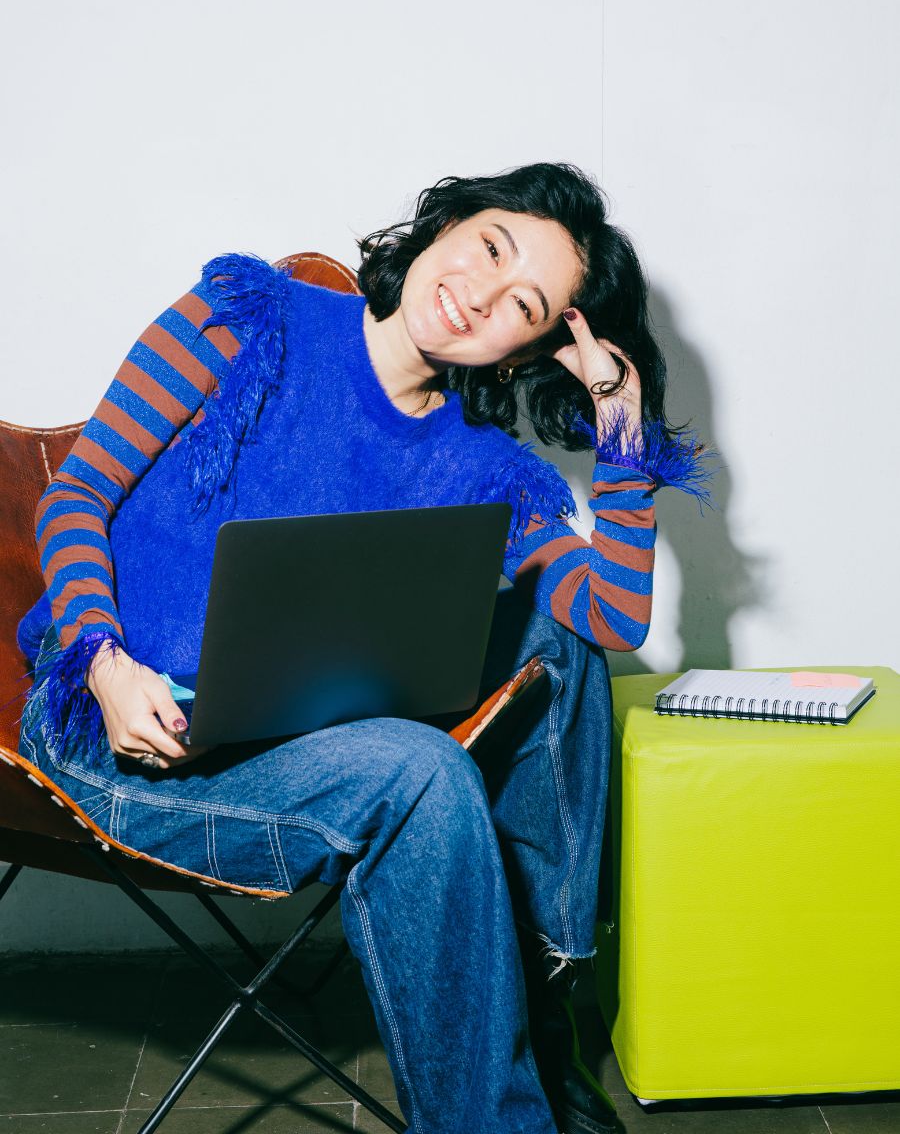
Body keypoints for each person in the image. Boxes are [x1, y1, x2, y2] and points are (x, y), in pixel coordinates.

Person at [17, 162, 709, 1134]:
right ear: (446, 223)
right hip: (123, 730)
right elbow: (75, 494)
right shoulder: (248, 318)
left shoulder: (483, 467)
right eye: (491, 247)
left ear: (527, 351)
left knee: (555, 635)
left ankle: (544, 1000)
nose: (479, 294)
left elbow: (612, 620)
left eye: (525, 304)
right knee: (421, 769)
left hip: (293, 752)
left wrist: (626, 439)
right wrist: (102, 660)